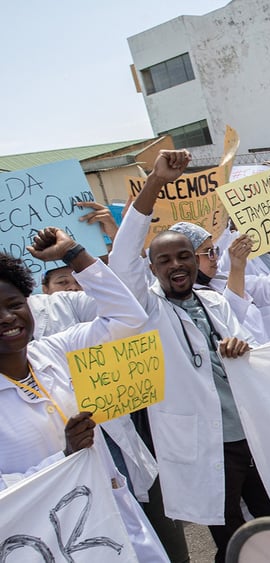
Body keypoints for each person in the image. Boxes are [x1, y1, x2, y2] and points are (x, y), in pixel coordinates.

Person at [108, 150, 270, 563]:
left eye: (184, 255)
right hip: (205, 444)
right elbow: (122, 259)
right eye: (164, 260)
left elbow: (247, 345)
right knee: (230, 536)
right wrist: (155, 182)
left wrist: (240, 346)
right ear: (152, 269)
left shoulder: (213, 301)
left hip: (247, 433)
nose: (176, 265)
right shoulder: (147, 309)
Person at [0, 228, 168, 562]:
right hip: (48, 546)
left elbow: (129, 318)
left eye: (15, 304)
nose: (7, 318)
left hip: (115, 520)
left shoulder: (55, 351)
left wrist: (74, 253)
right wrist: (65, 458)